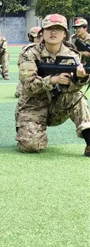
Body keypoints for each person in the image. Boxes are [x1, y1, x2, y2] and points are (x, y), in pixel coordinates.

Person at [15, 13, 90, 156]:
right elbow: (28, 85)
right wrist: (53, 80)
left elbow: (73, 88)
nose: (53, 32)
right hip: (33, 105)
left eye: (58, 29)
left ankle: (89, 139)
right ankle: (26, 128)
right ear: (42, 33)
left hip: (58, 105)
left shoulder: (72, 55)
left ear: (65, 34)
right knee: (31, 146)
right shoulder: (29, 53)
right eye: (49, 29)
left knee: (77, 95)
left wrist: (80, 78)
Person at [15, 26, 42, 98]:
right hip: (30, 76)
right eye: (37, 37)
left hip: (45, 76)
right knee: (20, 93)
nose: (39, 39)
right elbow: (21, 66)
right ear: (31, 38)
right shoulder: (27, 50)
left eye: (40, 37)